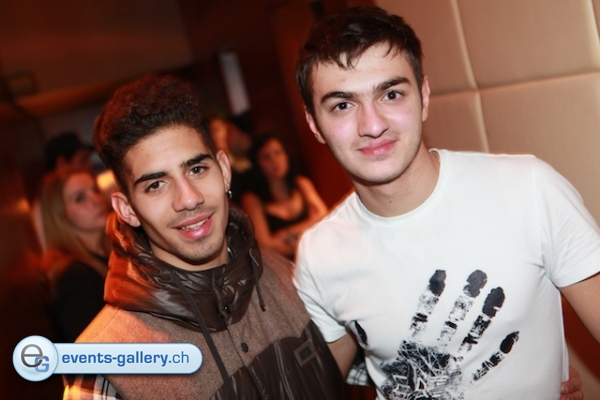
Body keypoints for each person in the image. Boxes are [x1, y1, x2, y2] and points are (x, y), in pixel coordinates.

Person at [292, 6, 600, 400]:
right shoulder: (319, 255)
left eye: (391, 94)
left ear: (423, 96)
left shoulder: (529, 189)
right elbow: (319, 387)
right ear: (314, 124)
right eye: (342, 105)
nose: (372, 125)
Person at [62, 73, 344, 399]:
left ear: (223, 170)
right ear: (127, 209)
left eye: (196, 169)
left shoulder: (284, 274)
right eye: (156, 185)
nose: (189, 198)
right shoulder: (107, 369)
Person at [39, 167, 110, 342]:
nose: (96, 200)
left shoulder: (113, 249)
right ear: (61, 214)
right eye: (80, 198)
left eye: (95, 189)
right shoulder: (73, 277)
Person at [242, 133, 328, 259]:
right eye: (266, 157)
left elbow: (323, 217)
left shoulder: (302, 184)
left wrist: (286, 233)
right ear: (257, 163)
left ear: (286, 154)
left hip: (320, 254)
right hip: (285, 265)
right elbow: (265, 245)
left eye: (278, 153)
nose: (274, 161)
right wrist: (306, 233)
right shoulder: (252, 199)